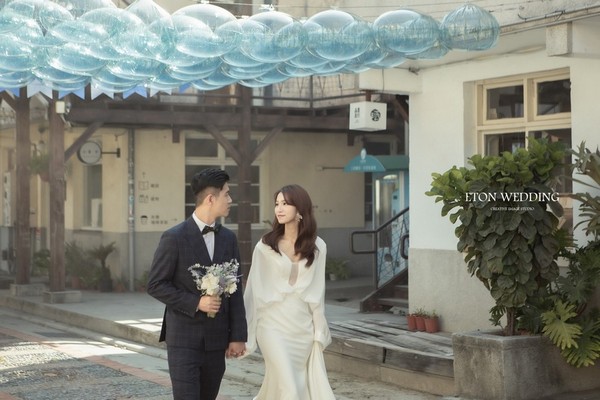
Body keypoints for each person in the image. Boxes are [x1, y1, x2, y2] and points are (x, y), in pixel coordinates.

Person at [147, 168, 247, 400]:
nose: (230, 200)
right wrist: (196, 302)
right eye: (227, 194)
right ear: (211, 198)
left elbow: (235, 290)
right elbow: (155, 284)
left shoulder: (228, 238)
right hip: (184, 338)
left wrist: (238, 336)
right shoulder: (174, 237)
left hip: (217, 340)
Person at [243, 184, 335, 399]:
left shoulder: (318, 246)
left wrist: (319, 330)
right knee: (290, 388)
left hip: (301, 327)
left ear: (300, 208)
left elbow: (317, 292)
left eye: (285, 203)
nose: (279, 209)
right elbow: (253, 290)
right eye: (277, 204)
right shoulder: (265, 246)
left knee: (291, 386)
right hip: (271, 325)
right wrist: (244, 331)